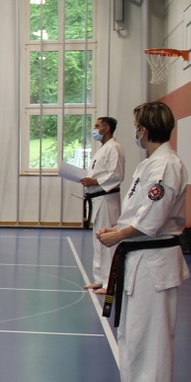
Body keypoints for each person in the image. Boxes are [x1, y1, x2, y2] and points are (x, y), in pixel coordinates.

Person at [96, 101, 188, 382]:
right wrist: (117, 228)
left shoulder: (166, 166)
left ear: (145, 130)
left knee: (152, 336)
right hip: (137, 256)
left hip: (154, 261)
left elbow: (153, 217)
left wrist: (118, 235)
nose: (135, 132)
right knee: (131, 331)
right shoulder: (149, 164)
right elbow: (137, 210)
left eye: (137, 126)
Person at [81, 116, 125, 293]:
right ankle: (100, 279)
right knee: (98, 240)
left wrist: (94, 181)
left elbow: (117, 175)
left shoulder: (114, 148)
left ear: (107, 128)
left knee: (108, 240)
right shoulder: (102, 149)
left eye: (97, 126)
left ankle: (110, 282)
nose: (95, 129)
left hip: (107, 198)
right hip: (97, 198)